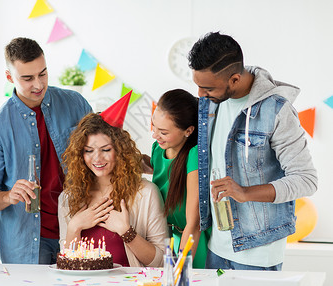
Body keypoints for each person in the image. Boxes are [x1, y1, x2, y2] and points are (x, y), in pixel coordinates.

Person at [188, 32, 318, 270]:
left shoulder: (277, 111)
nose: (200, 95)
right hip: (216, 247)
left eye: (206, 88)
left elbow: (306, 180)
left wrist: (245, 192)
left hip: (258, 253)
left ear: (235, 79)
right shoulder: (211, 103)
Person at [0, 37, 92, 264]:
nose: (38, 85)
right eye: (27, 78)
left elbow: (102, 150)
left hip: (78, 227)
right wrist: (8, 196)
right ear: (10, 77)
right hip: (24, 240)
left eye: (43, 74)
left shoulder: (75, 103)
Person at [58, 109, 168, 267]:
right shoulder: (68, 198)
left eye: (106, 150)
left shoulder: (146, 193)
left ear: (120, 151)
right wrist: (74, 227)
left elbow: (161, 262)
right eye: (89, 151)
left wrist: (126, 232)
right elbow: (67, 264)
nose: (97, 158)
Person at [142, 89, 210, 268]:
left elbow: (193, 224)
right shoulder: (158, 149)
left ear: (188, 130)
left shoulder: (194, 155)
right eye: (154, 126)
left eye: (163, 132)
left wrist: (180, 268)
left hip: (192, 243)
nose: (155, 135)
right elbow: (165, 174)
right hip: (167, 238)